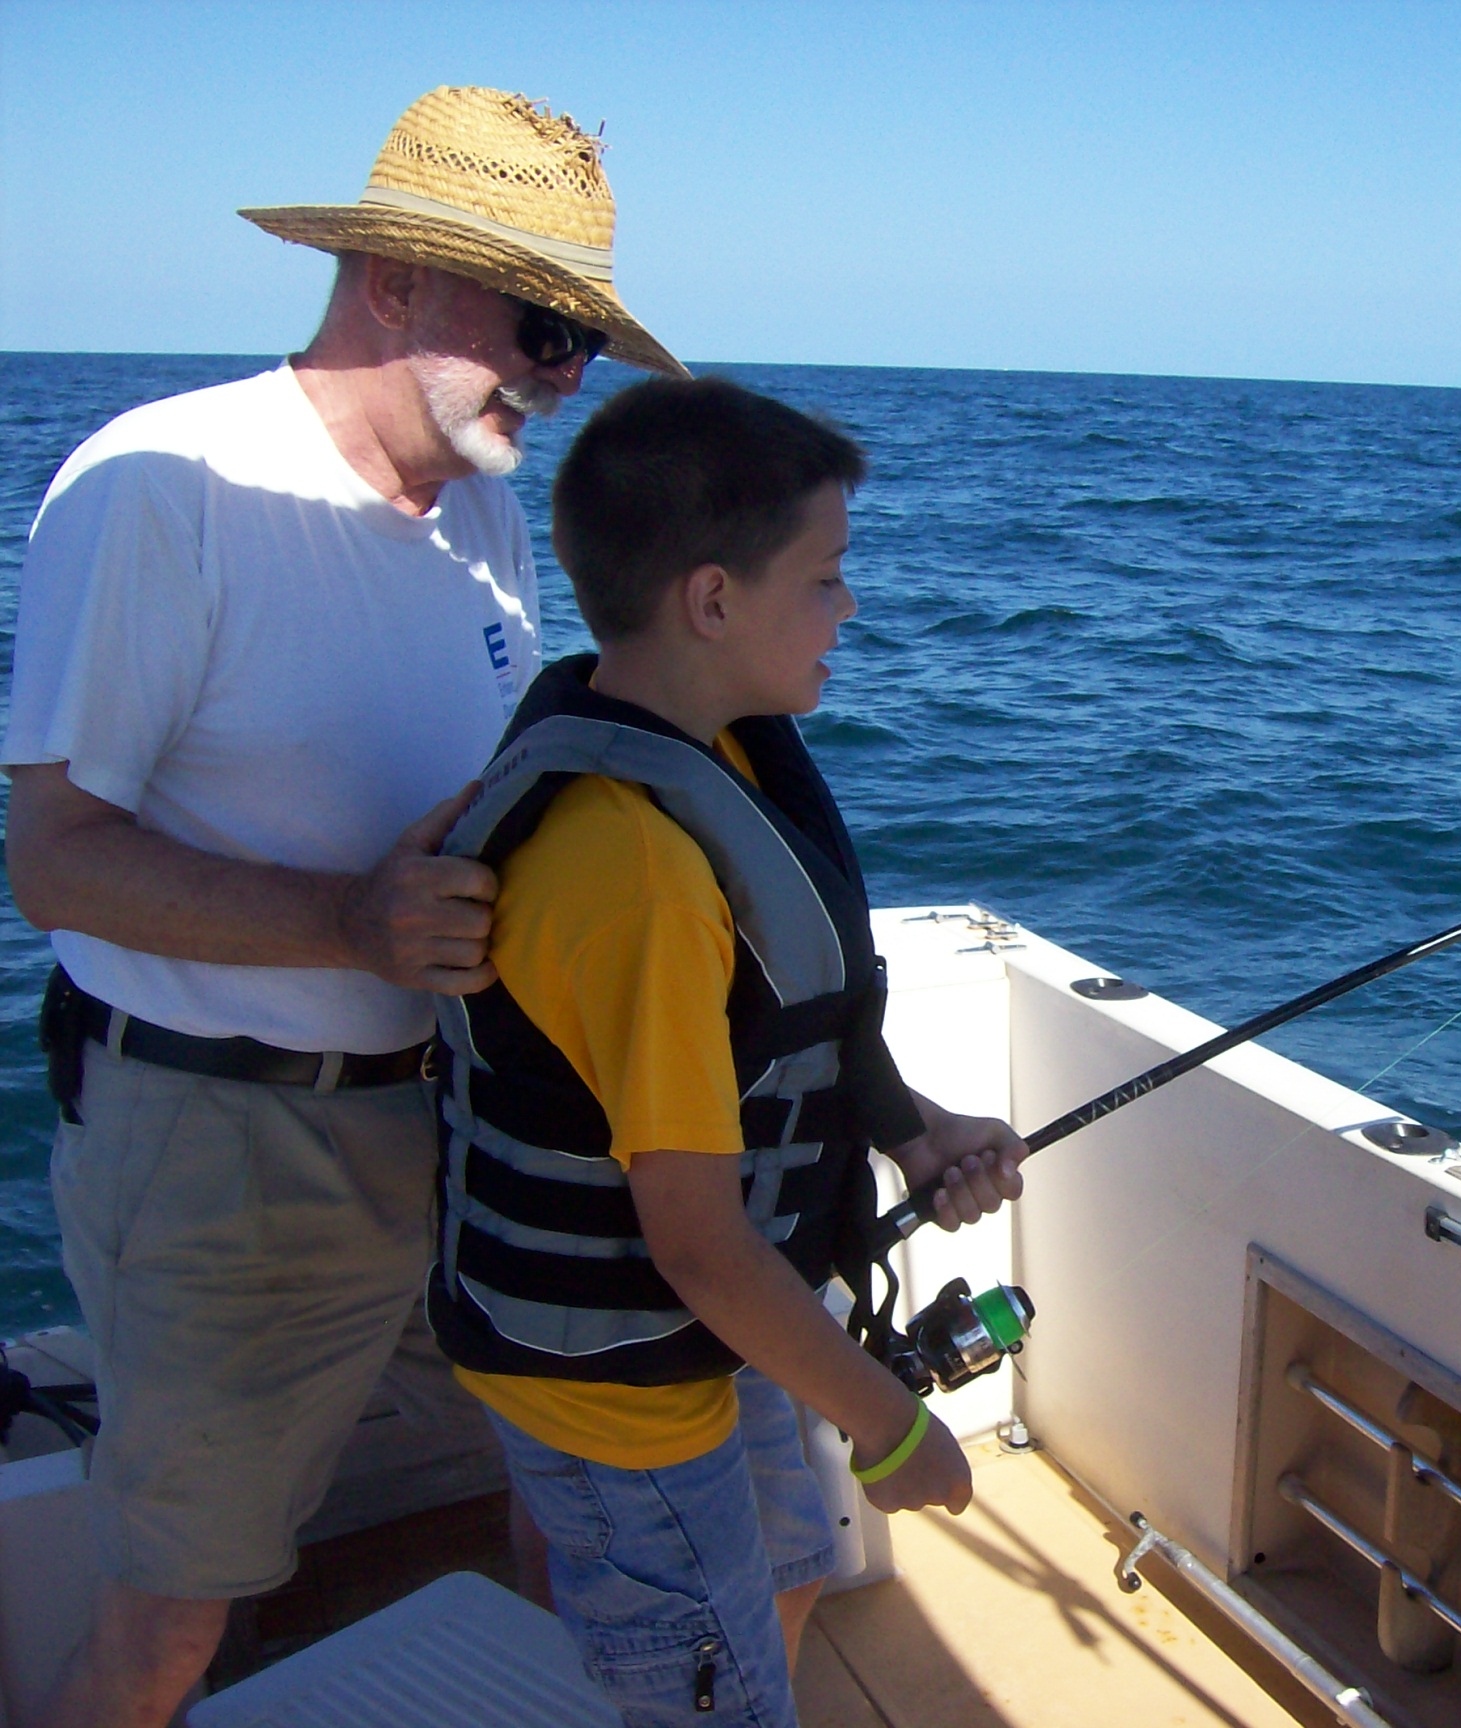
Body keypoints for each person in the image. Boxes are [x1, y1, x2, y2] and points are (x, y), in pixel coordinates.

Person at [2, 87, 683, 1726]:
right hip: (228, 1148)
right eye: (540, 323)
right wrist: (348, 930)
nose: (566, 376)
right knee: (176, 1612)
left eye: (584, 334)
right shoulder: (164, 485)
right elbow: (52, 856)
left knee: (551, 1501)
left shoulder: (484, 509)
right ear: (390, 281)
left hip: (456, 1128)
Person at [428, 376, 1024, 1726]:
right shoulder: (633, 869)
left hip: (710, 1342)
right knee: (708, 1684)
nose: (850, 611)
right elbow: (698, 1245)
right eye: (825, 578)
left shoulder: (714, 757)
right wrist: (896, 1425)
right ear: (711, 601)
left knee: (798, 1562)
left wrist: (910, 1127)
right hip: (622, 1400)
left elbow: (790, 1026)